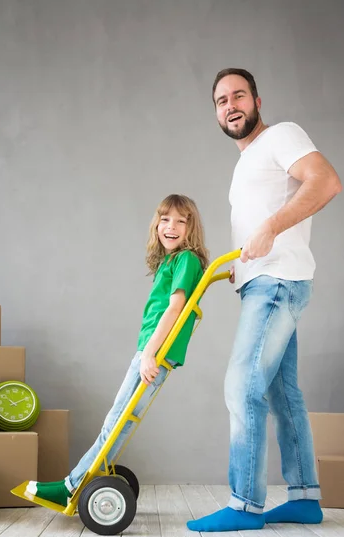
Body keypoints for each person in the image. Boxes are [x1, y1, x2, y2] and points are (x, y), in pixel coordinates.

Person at [187, 68, 342, 532]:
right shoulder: (247, 161)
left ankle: (244, 505)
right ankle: (304, 497)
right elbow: (258, 224)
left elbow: (326, 182)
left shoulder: (282, 136)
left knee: (242, 385)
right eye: (221, 100)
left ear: (257, 99)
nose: (230, 105)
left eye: (238, 95)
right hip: (264, 280)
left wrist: (271, 229)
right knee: (281, 392)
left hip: (277, 282)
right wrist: (242, 265)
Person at [27, 194, 209, 507]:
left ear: (191, 228)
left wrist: (150, 353)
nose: (172, 226)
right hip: (152, 351)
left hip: (154, 352)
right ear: (157, 224)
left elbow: (176, 307)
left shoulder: (185, 260)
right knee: (121, 420)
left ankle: (71, 486)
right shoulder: (172, 261)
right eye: (166, 219)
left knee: (117, 421)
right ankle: (87, 476)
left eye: (181, 220)